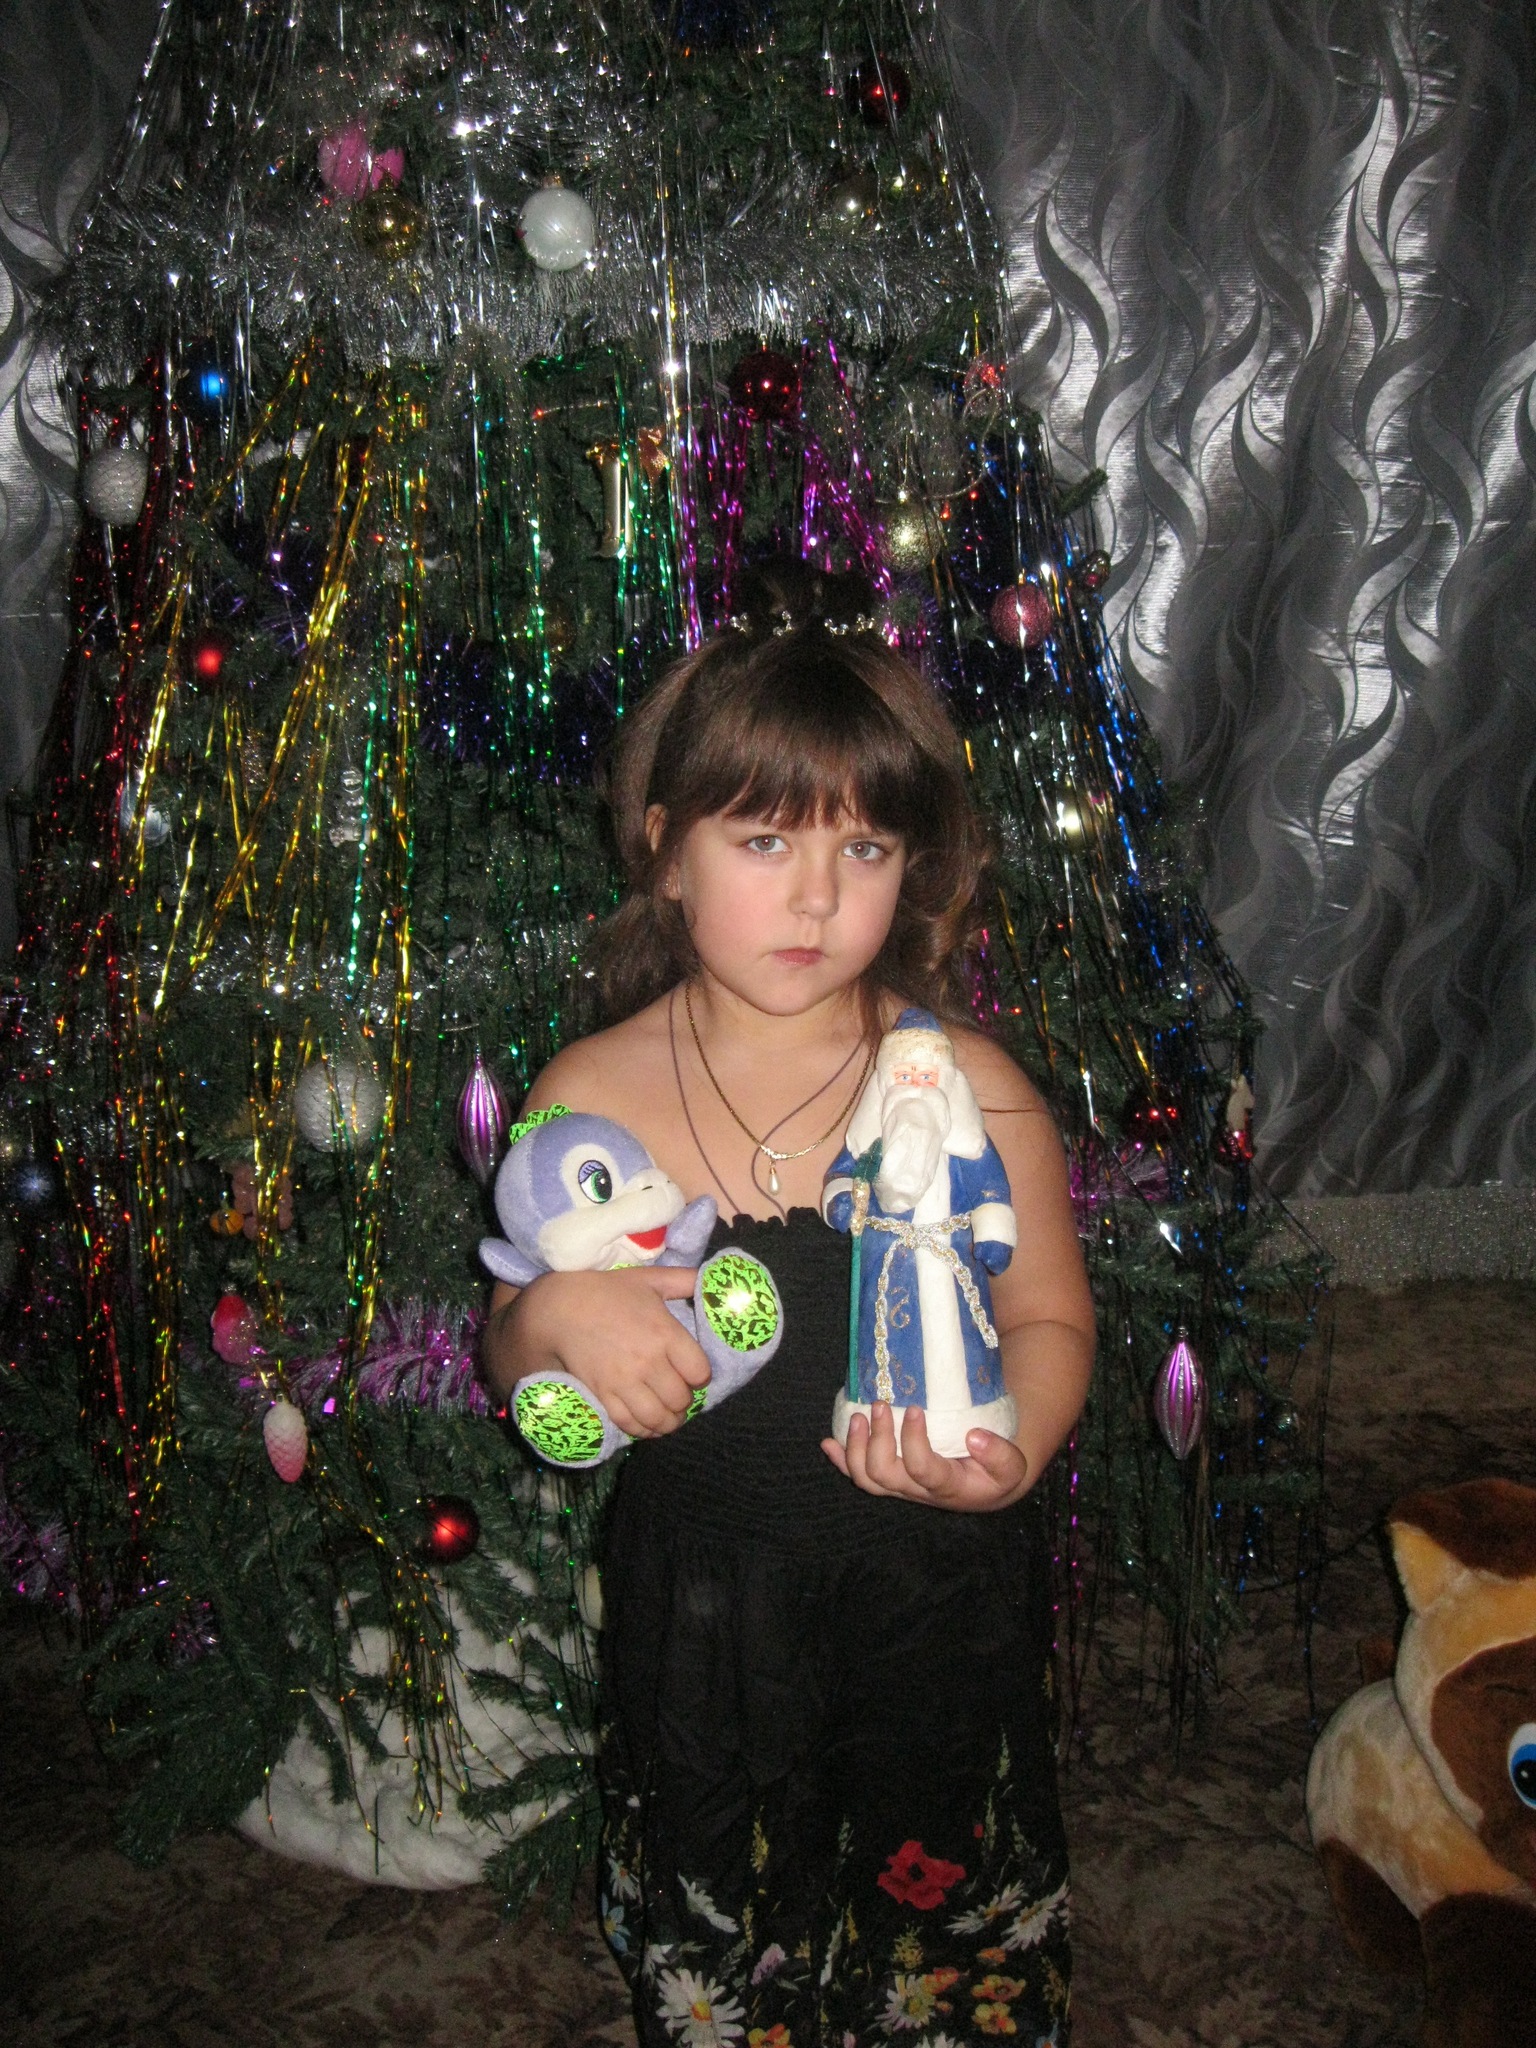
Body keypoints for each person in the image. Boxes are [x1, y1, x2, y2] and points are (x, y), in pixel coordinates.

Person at [481, 560, 1096, 2048]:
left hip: (929, 1597)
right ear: (665, 851)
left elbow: (1051, 1318)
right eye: (764, 840)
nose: (817, 897)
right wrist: (547, 1326)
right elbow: (510, 1343)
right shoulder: (588, 1096)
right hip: (704, 1620)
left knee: (939, 1941)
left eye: (864, 847)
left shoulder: (967, 1090)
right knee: (726, 1954)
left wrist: (1016, 1447)